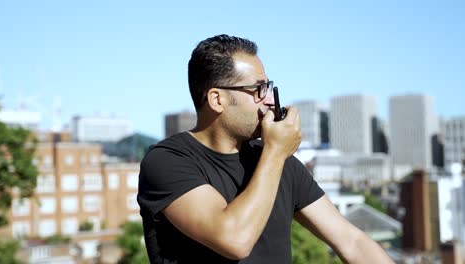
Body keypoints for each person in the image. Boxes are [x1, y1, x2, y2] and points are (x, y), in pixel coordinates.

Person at [137, 34, 394, 264]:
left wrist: (274, 154)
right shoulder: (167, 161)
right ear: (217, 99)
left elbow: (350, 241)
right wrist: (275, 153)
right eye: (259, 90)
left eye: (269, 88)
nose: (270, 101)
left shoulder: (278, 160)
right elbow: (234, 240)